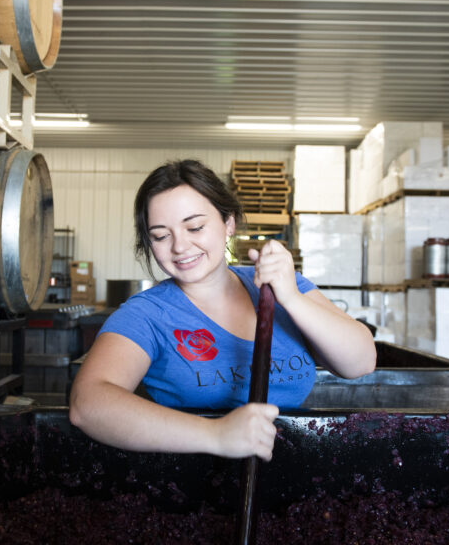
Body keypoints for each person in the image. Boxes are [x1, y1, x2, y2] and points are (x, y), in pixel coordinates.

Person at [69, 159, 376, 461]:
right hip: (193, 485)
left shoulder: (278, 285)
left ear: (228, 223)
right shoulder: (147, 315)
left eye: (195, 227)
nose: (179, 246)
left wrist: (292, 298)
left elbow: (360, 362)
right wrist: (215, 435)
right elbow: (88, 404)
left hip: (299, 469)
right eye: (161, 235)